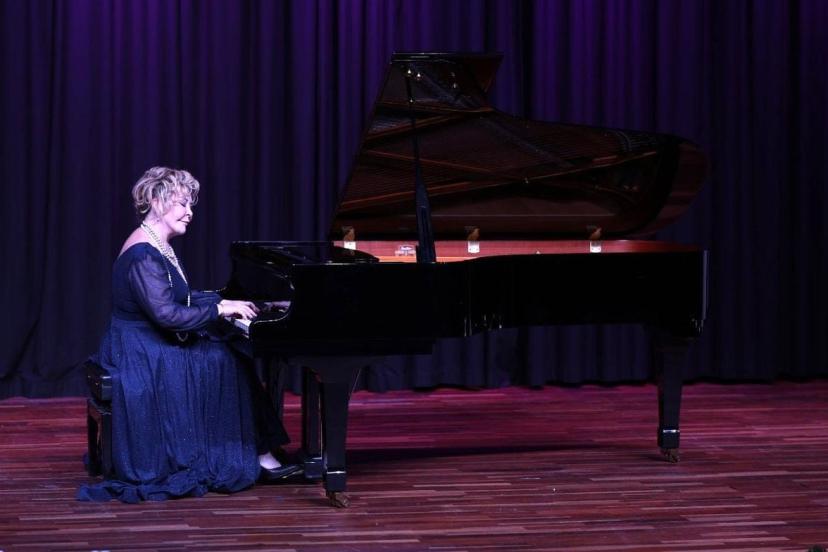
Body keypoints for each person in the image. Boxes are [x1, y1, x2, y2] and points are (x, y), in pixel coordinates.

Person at [77, 166, 299, 503]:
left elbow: (180, 298)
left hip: (145, 343)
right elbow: (167, 316)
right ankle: (257, 454)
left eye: (190, 205)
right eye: (182, 204)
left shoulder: (156, 244)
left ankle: (261, 450)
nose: (189, 212)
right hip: (140, 353)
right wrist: (219, 310)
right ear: (156, 201)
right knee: (226, 358)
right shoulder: (143, 254)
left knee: (228, 349)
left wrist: (226, 302)